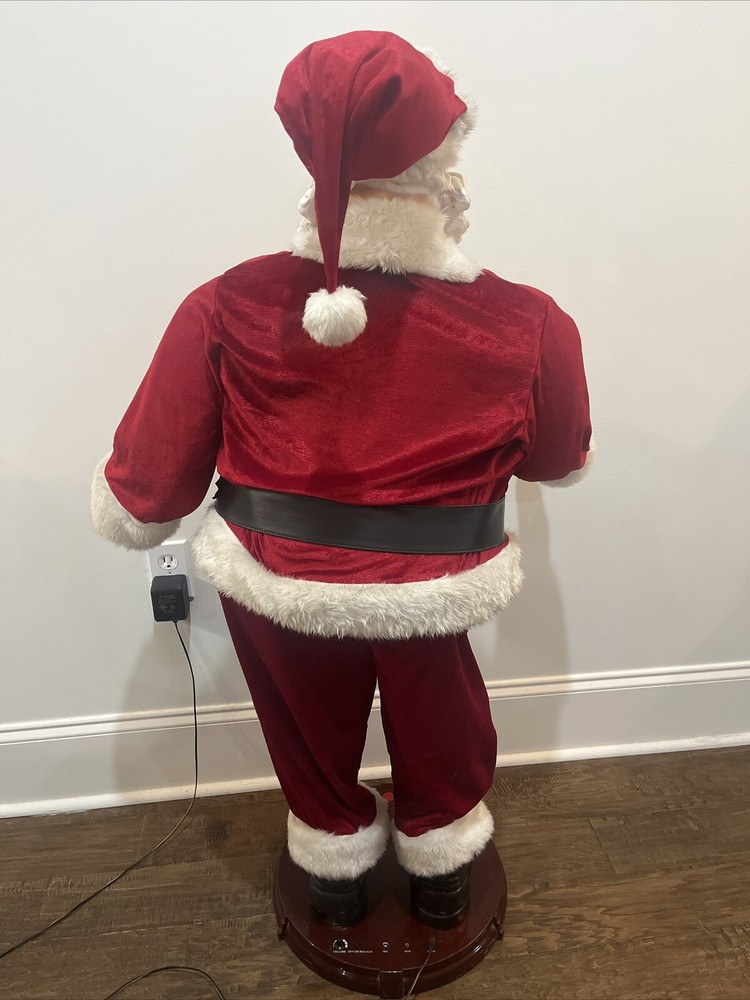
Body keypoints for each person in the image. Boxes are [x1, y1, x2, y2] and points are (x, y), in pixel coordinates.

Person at [91, 30, 592, 929]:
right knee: (439, 714)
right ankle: (442, 867)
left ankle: (333, 865)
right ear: (444, 161)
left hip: (274, 574)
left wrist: (134, 506)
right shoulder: (529, 321)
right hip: (435, 582)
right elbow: (558, 460)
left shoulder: (226, 304)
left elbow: (148, 489)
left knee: (303, 717)